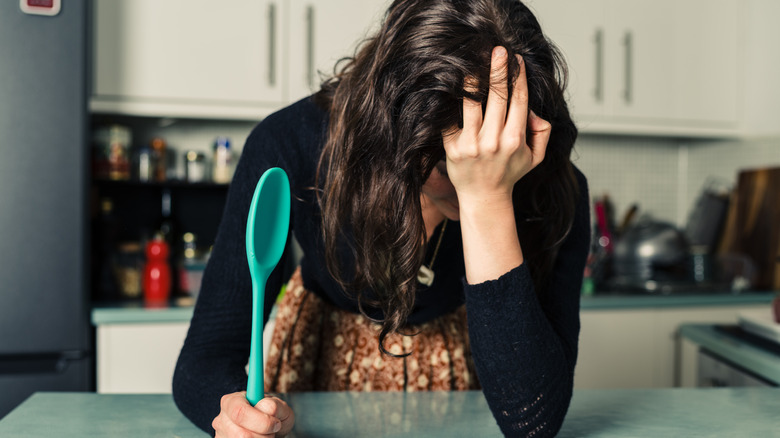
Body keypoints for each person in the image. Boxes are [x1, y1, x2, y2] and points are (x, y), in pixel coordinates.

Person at [173, 0, 590, 436]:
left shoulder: (551, 183)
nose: (482, 171)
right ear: (391, 133)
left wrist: (488, 199)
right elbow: (204, 360)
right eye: (453, 166)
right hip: (316, 385)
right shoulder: (292, 142)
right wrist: (235, 416)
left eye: (505, 156)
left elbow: (533, 424)